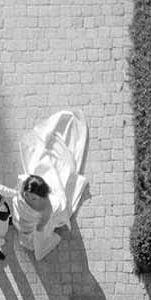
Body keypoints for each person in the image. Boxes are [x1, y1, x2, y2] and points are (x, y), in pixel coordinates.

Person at [13, 111, 90, 262]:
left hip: (34, 224)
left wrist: (35, 229)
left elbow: (42, 227)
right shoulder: (24, 189)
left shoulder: (48, 207)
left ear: (41, 196)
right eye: (28, 194)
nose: (27, 196)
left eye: (32, 196)